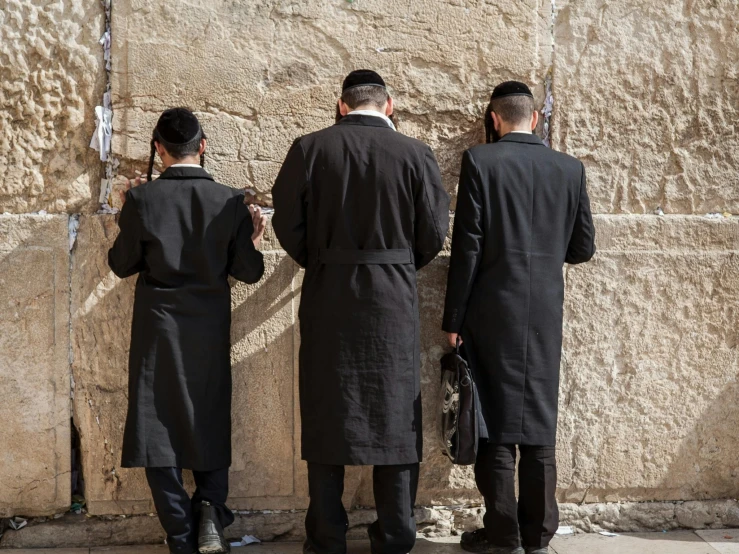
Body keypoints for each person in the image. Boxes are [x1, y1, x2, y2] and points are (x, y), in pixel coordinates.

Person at [272, 69, 450, 554]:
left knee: (329, 406)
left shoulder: (310, 148)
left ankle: (327, 536)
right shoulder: (416, 154)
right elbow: (434, 232)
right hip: (391, 297)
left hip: (330, 294)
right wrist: (395, 261)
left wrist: (324, 257)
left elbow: (286, 221)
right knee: (395, 413)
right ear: (389, 105)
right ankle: (395, 533)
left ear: (341, 104)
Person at [442, 82, 596, 554]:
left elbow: (467, 247)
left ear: (494, 118)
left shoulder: (481, 162)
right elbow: (583, 247)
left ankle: (502, 532)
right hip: (544, 316)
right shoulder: (570, 169)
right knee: (538, 424)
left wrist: (453, 319)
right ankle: (538, 535)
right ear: (535, 118)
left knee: (495, 426)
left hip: (491, 313)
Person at [108, 107, 267, 554]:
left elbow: (121, 265)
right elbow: (248, 273)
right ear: (202, 147)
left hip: (159, 330)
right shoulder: (231, 202)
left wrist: (127, 214)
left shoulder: (142, 201)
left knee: (156, 426)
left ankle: (181, 534)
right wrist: (251, 241)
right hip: (209, 330)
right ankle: (211, 512)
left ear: (159, 150)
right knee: (208, 417)